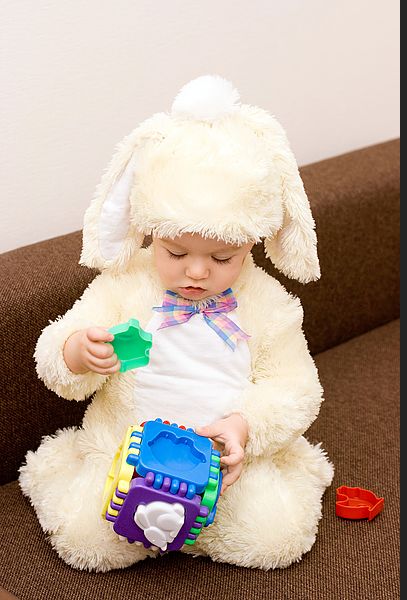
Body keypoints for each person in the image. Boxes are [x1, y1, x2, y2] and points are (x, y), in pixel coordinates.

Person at [19, 75, 334, 572]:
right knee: (91, 541)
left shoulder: (268, 303)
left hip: (223, 468)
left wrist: (244, 427)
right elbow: (59, 348)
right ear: (150, 231)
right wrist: (77, 351)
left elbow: (295, 387)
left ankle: (201, 522)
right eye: (176, 251)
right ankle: (61, 471)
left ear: (252, 242)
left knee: (276, 540)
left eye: (222, 256)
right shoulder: (125, 283)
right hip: (124, 455)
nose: (196, 271)